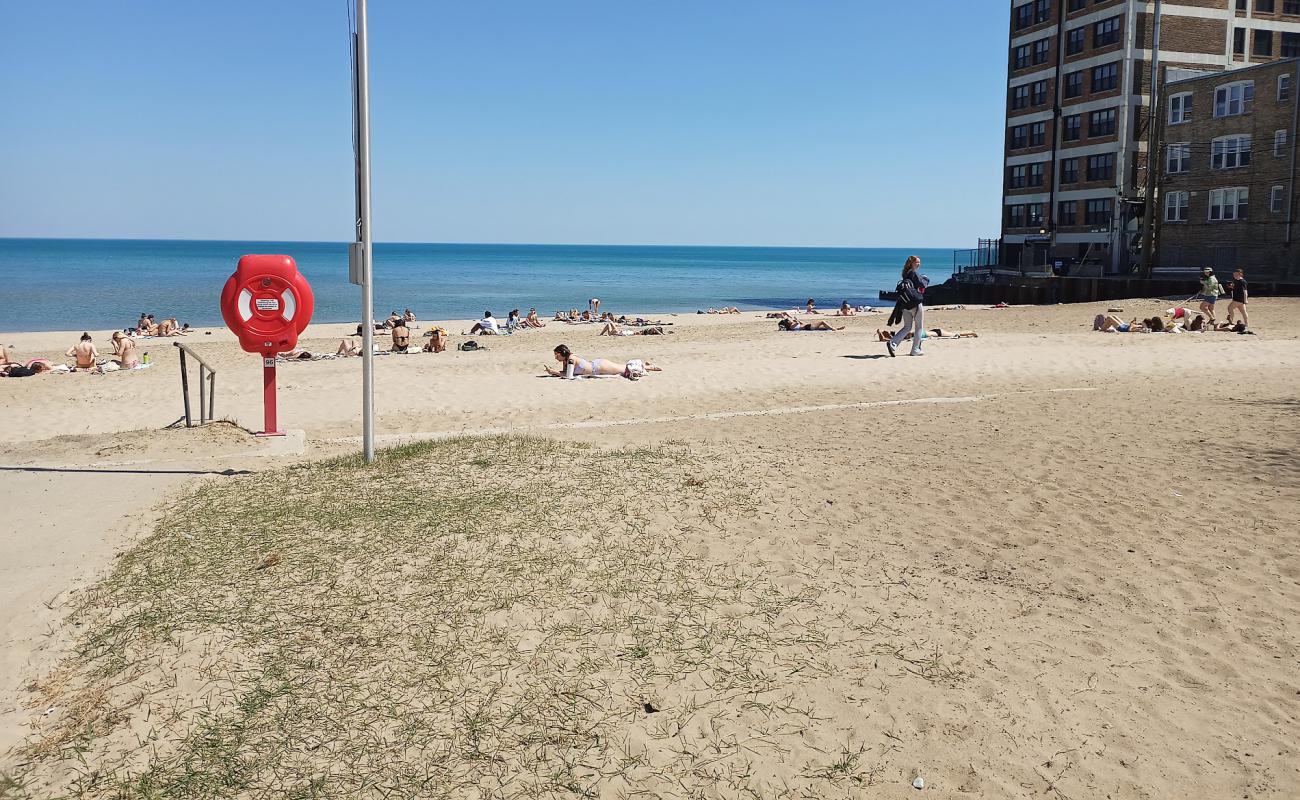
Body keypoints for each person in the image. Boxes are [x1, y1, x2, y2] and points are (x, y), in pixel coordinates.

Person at [886, 256, 928, 356]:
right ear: (911, 263)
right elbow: (923, 285)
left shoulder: (905, 274)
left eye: (919, 262)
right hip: (915, 303)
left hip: (905, 304)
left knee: (907, 327)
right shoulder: (913, 273)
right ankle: (915, 349)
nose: (919, 264)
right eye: (917, 262)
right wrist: (925, 278)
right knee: (919, 327)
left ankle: (893, 343)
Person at [545, 344, 661, 380]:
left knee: (624, 369)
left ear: (562, 353)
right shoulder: (566, 361)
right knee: (622, 367)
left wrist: (554, 372)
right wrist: (554, 372)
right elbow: (566, 373)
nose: (556, 358)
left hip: (599, 367)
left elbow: (569, 376)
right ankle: (645, 365)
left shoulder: (570, 359)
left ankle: (649, 367)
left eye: (557, 355)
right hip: (597, 365)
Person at [876, 328, 977, 341]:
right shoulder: (910, 334)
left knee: (956, 334)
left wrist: (882, 335)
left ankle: (971, 332)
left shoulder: (909, 335)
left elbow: (888, 340)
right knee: (956, 334)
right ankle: (970, 333)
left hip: (938, 333)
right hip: (935, 332)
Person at [599, 321, 668, 336]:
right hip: (627, 332)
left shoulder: (649, 334)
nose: (654, 328)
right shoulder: (649, 331)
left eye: (656, 329)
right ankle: (601, 334)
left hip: (628, 333)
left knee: (613, 328)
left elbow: (662, 335)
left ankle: (609, 333)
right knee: (610, 323)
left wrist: (655, 329)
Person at [777, 318, 843, 331]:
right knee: (822, 322)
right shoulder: (791, 326)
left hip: (808, 326)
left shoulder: (792, 325)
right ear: (788, 322)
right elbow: (797, 323)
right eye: (789, 320)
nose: (790, 320)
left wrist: (798, 321)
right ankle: (834, 329)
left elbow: (801, 323)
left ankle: (836, 328)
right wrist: (796, 321)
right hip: (808, 327)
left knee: (824, 327)